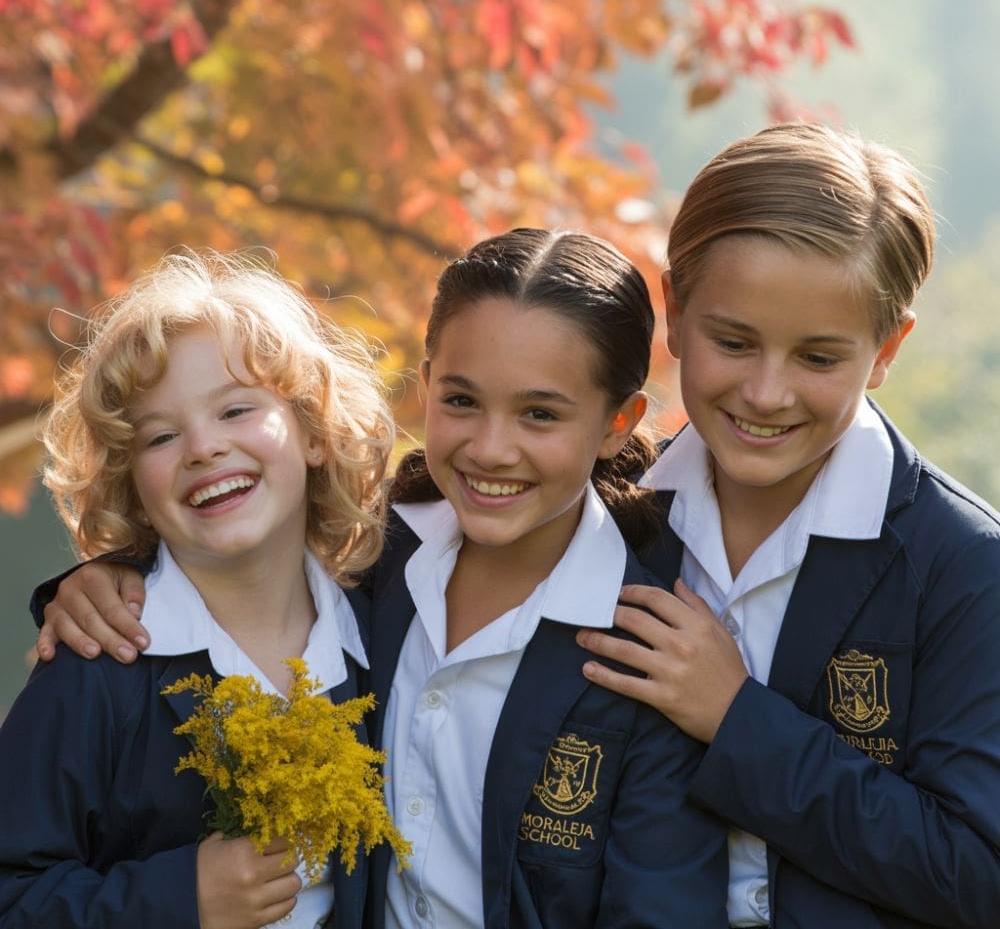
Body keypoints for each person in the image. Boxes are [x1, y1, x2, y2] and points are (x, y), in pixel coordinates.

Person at [28, 228, 731, 927]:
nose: (490, 447)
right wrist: (106, 574)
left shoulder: (653, 645)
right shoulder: (379, 570)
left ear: (618, 423)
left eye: (539, 414)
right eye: (461, 402)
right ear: (426, 388)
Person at [571, 123, 1000, 927]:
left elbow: (978, 871)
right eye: (733, 342)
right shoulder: (606, 523)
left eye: (818, 358)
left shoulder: (966, 566)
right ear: (674, 309)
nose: (767, 393)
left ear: (886, 350)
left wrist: (737, 719)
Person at [0, 250, 395, 928]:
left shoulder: (387, 640)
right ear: (133, 485)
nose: (203, 448)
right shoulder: (98, 666)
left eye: (236, 409)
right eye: (161, 436)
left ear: (313, 432)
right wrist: (182, 897)